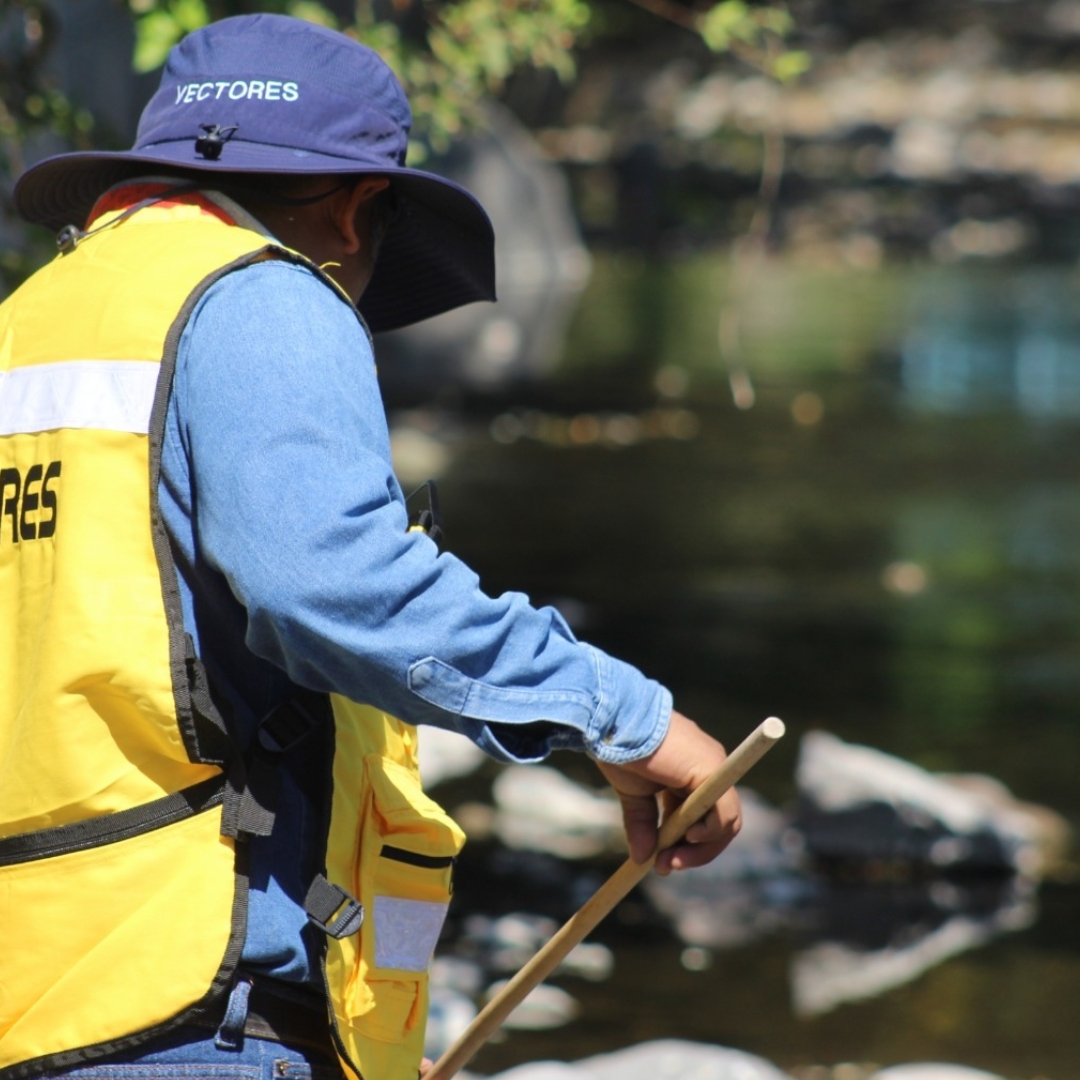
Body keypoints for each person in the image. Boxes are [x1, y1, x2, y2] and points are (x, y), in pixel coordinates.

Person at [0, 14, 741, 1080]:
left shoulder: (32, 322)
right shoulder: (260, 292)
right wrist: (626, 719)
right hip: (188, 1007)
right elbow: (329, 583)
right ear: (354, 211)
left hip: (39, 991)